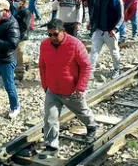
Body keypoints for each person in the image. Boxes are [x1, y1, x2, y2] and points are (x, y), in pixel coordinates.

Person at [38, 19, 97, 158]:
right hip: (52, 88)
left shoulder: (75, 44)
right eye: (49, 35)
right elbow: (42, 66)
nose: (52, 38)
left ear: (63, 32)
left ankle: (91, 126)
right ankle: (51, 145)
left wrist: (80, 87)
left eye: (55, 34)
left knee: (81, 111)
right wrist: (45, 85)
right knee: (50, 117)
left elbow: (86, 66)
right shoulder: (45, 45)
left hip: (71, 89)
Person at [88, 0, 124, 78]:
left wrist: (115, 29)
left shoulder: (118, 1)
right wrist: (91, 22)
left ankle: (117, 69)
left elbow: (121, 17)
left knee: (114, 51)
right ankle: (89, 72)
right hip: (98, 30)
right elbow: (94, 11)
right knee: (94, 51)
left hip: (111, 32)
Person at [12, 0, 31, 81]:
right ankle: (27, 60)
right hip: (13, 35)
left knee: (19, 51)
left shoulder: (25, 12)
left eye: (17, 1)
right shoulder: (12, 10)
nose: (14, 2)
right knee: (15, 54)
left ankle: (20, 73)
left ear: (22, 2)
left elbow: (24, 27)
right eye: (14, 0)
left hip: (22, 36)